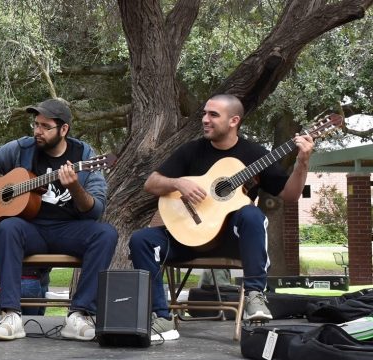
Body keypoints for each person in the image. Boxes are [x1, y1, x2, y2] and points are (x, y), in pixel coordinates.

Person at [128, 94, 314, 341]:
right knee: (141, 239)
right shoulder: (192, 150)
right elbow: (151, 183)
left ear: (234, 120)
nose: (205, 119)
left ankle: (255, 296)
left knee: (251, 214)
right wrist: (178, 183)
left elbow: (290, 195)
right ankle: (160, 318)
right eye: (205, 113)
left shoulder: (255, 154)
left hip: (232, 240)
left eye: (213, 115)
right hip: (188, 237)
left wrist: (302, 162)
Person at [0, 98, 117, 341]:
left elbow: (95, 210)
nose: (38, 131)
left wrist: (75, 187)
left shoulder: (85, 155)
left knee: (106, 233)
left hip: (69, 229)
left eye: (45, 127)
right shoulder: (22, 148)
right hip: (31, 230)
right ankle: (11, 316)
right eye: (36, 124)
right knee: (7, 226)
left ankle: (79, 315)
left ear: (64, 129)